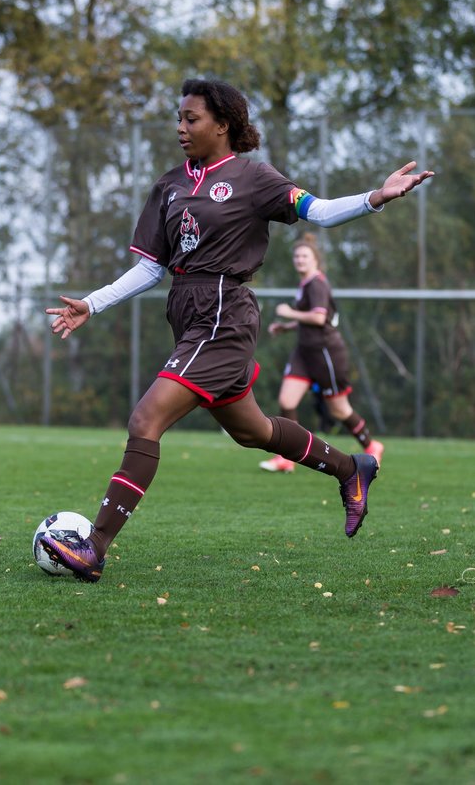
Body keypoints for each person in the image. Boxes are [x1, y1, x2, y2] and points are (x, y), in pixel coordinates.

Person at [37, 78, 433, 582]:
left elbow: (323, 212)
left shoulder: (254, 178)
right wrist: (91, 304)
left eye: (191, 118)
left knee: (145, 421)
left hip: (225, 313)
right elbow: (150, 269)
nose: (180, 127)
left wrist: (376, 196)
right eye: (178, 118)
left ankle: (93, 547)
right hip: (187, 314)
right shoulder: (169, 185)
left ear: (223, 125)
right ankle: (351, 469)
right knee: (254, 431)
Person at [259, 232, 385, 473]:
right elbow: (311, 319)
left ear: (315, 259)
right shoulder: (305, 283)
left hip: (325, 353)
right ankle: (287, 457)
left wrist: (289, 313)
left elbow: (318, 318)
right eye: (296, 256)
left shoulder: (317, 283)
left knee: (339, 409)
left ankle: (372, 445)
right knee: (287, 401)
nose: (300, 260)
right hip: (304, 352)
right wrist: (287, 327)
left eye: (305, 256)